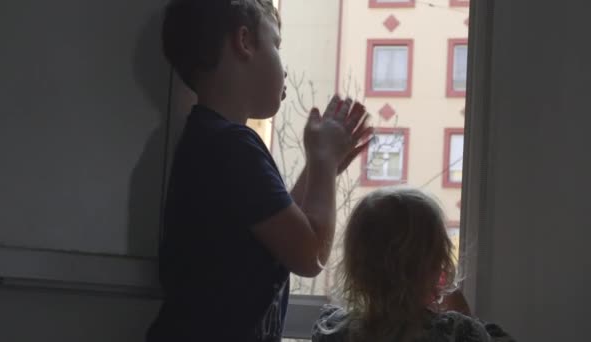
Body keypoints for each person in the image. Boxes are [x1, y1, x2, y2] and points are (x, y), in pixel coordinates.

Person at [146, 1, 373, 341]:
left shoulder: (209, 141)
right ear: (245, 42)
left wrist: (319, 168)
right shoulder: (233, 147)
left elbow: (283, 228)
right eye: (277, 44)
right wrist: (323, 163)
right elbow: (309, 254)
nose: (285, 69)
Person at [312, 188, 516, 342]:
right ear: (439, 266)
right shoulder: (456, 332)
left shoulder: (331, 329)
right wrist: (466, 316)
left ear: (354, 270)